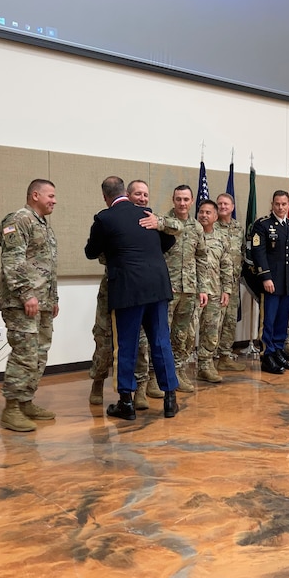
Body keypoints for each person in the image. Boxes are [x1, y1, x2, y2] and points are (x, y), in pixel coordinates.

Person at [84, 176, 180, 420]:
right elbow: (168, 241)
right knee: (161, 341)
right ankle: (170, 399)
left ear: (106, 197)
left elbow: (90, 251)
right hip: (157, 287)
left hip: (128, 289)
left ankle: (126, 402)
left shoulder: (104, 218)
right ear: (125, 192)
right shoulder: (148, 215)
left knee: (126, 345)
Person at [0, 179, 59, 432]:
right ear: (35, 195)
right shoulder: (18, 220)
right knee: (24, 354)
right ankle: (11, 409)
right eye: (50, 196)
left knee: (39, 354)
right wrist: (26, 293)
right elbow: (13, 260)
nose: (54, 200)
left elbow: (47, 266)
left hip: (41, 302)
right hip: (22, 302)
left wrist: (52, 298)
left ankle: (25, 401)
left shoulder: (42, 224)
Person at [250, 190, 289, 374]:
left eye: (284, 204)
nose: (280, 207)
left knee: (282, 319)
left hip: (286, 282)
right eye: (277, 204)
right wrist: (265, 277)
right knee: (269, 320)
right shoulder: (263, 225)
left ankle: (279, 350)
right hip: (271, 282)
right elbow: (259, 253)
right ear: (272, 204)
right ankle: (268, 355)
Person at [164, 185, 207, 392]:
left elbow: (201, 258)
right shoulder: (162, 224)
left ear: (191, 202)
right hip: (167, 289)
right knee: (161, 333)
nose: (182, 203)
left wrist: (203, 289)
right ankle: (158, 375)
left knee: (182, 335)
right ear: (173, 200)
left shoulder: (197, 227)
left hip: (189, 289)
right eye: (178, 199)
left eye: (186, 199)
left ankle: (178, 371)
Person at [196, 200, 234, 382]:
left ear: (216, 216)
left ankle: (205, 366)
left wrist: (227, 289)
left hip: (214, 291)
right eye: (201, 212)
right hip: (193, 292)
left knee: (212, 332)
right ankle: (177, 369)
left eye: (208, 212)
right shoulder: (190, 233)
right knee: (185, 333)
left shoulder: (221, 238)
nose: (204, 215)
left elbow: (227, 265)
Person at [215, 193, 247, 372]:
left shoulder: (238, 227)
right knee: (214, 322)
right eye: (219, 203)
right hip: (216, 283)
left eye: (226, 204)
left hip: (233, 283)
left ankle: (225, 356)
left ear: (232, 206)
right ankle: (209, 358)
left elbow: (242, 252)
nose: (222, 206)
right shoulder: (211, 226)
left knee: (230, 321)